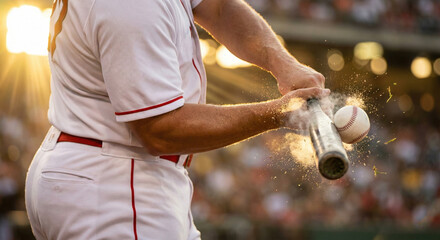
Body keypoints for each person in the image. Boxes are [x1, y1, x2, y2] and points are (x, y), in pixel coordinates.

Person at [25, 0, 329, 239]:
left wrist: (284, 64)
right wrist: (278, 113)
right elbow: (160, 129)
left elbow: (220, 8)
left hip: (103, 167)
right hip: (115, 183)